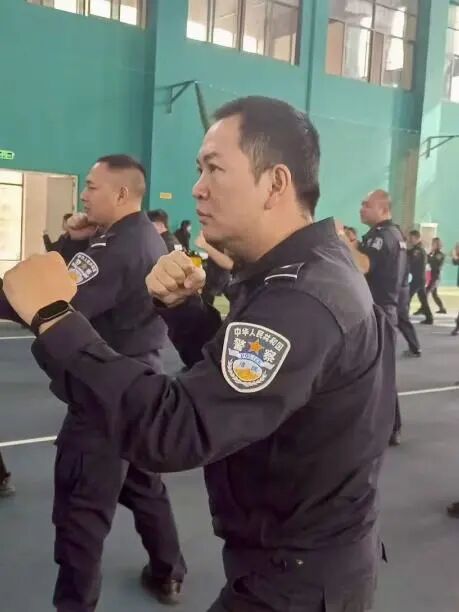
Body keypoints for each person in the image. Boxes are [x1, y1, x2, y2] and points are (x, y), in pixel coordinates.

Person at [3, 97, 396, 612]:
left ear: (275, 183)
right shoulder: (304, 271)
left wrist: (53, 317)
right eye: (199, 169)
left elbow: (176, 430)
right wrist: (185, 311)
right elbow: (249, 382)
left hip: (296, 585)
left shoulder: (302, 299)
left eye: (214, 168)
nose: (197, 187)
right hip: (298, 565)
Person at [0, 155, 186, 611]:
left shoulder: (117, 246)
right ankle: (168, 572)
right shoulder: (141, 236)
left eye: (91, 186)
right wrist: (73, 239)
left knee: (80, 515)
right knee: (143, 485)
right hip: (139, 384)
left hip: (105, 395)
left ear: (121, 193)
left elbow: (53, 299)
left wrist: (16, 293)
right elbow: (70, 276)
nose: (83, 196)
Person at [341, 190, 406, 446]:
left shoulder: (383, 235)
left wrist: (342, 240)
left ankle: (391, 426)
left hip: (380, 310)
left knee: (381, 371)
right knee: (374, 369)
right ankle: (383, 425)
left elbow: (364, 265)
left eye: (366, 205)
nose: (362, 209)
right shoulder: (389, 234)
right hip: (379, 309)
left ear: (382, 209)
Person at [195, 231, 233, 306]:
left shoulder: (226, 231)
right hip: (202, 282)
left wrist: (204, 245)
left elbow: (230, 263)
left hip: (218, 283)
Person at [406, 230, 431, 323]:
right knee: (423, 299)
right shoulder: (417, 249)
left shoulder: (418, 250)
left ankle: (404, 317)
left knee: (406, 297)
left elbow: (411, 258)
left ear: (417, 238)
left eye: (411, 238)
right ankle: (429, 318)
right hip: (419, 278)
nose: (409, 240)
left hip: (418, 279)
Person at [426, 238, 447, 316]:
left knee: (426, 291)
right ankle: (442, 308)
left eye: (434, 243)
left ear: (437, 245)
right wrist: (430, 254)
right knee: (434, 294)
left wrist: (430, 255)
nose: (432, 245)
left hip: (436, 276)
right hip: (433, 275)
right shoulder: (433, 253)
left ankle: (424, 308)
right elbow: (427, 260)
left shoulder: (440, 254)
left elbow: (434, 263)